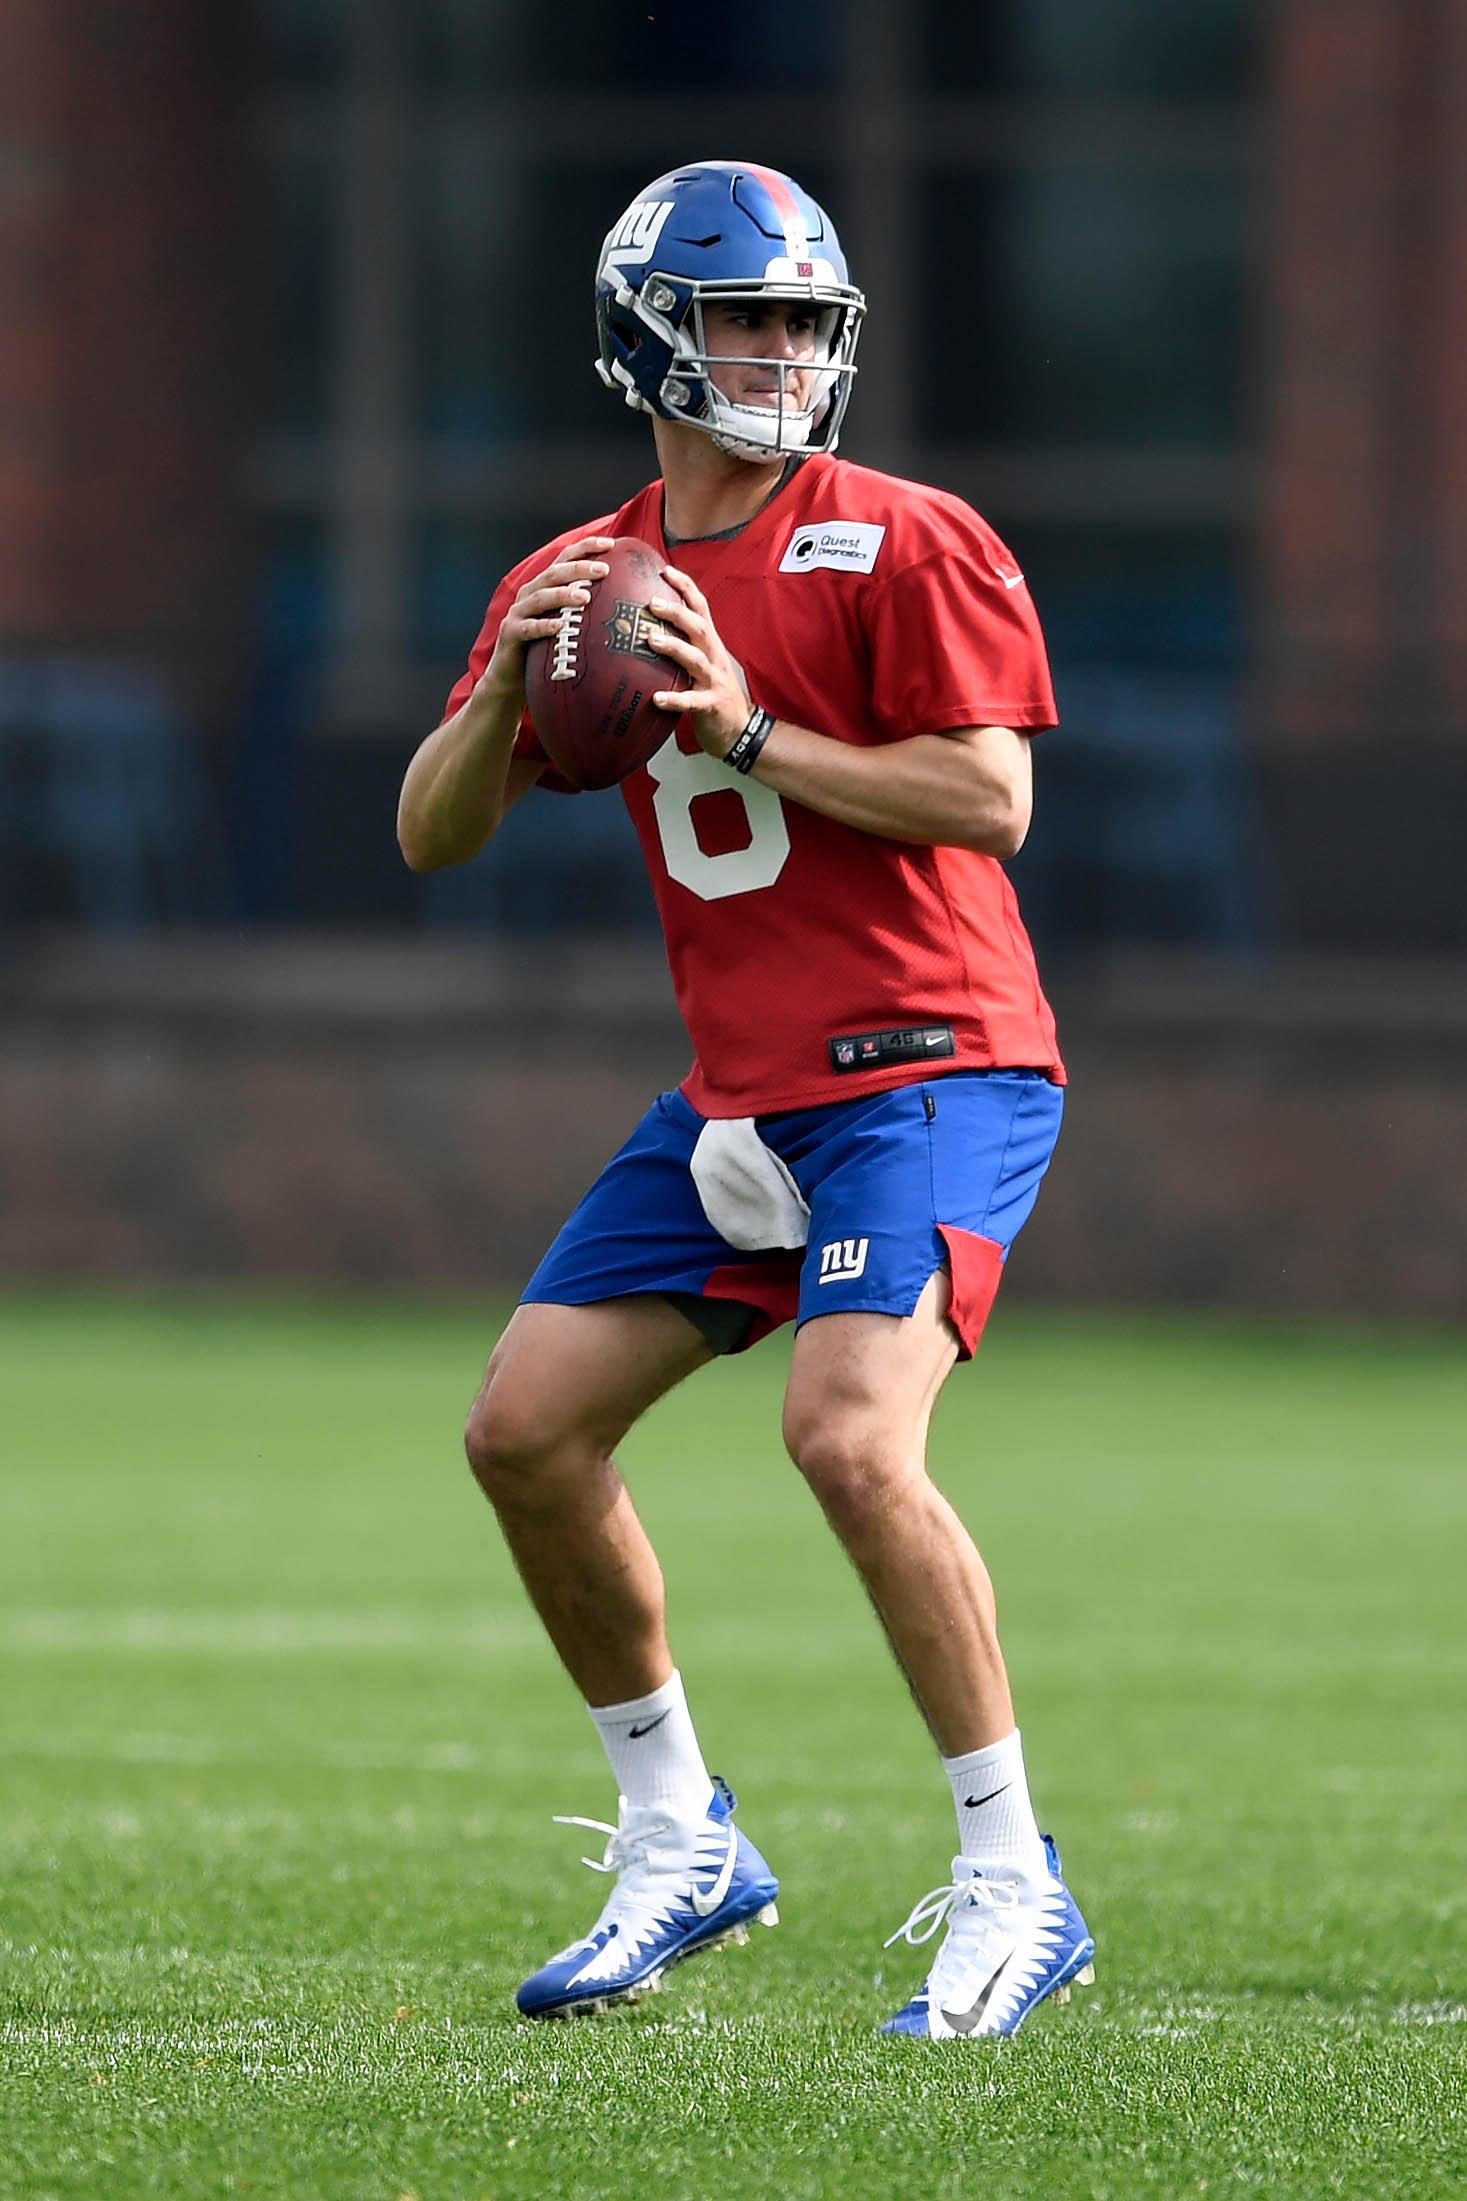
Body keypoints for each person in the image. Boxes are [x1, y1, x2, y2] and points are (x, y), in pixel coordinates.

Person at [397, 159, 1094, 2038]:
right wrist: (501, 700)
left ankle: (1016, 1879)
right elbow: (429, 834)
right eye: (743, 318)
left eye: (805, 320)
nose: (782, 355)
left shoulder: (912, 535)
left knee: (852, 1438)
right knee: (524, 1433)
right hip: (739, 1095)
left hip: (934, 1062)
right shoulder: (586, 573)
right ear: (648, 332)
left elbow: (989, 800)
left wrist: (749, 731)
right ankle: (677, 1833)